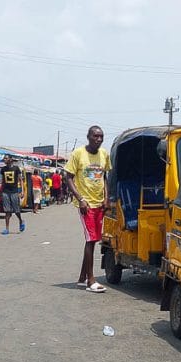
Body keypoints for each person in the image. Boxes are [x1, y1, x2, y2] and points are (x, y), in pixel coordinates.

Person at [65, 125, 111, 293]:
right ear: (88, 137)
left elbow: (105, 177)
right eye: (95, 136)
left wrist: (106, 198)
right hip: (86, 204)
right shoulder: (78, 154)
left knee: (94, 238)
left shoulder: (104, 154)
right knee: (91, 239)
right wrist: (80, 199)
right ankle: (91, 281)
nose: (98, 139)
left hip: (99, 203)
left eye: (101, 136)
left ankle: (82, 277)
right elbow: (68, 177)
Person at [0, 155, 24, 234]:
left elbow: (21, 180)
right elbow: (2, 181)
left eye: (6, 158)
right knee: (7, 211)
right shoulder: (3, 169)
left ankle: (21, 221)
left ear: (10, 159)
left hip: (14, 192)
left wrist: (22, 191)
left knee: (16, 210)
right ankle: (7, 229)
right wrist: (1, 191)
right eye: (4, 158)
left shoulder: (16, 168)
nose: (4, 160)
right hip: (5, 192)